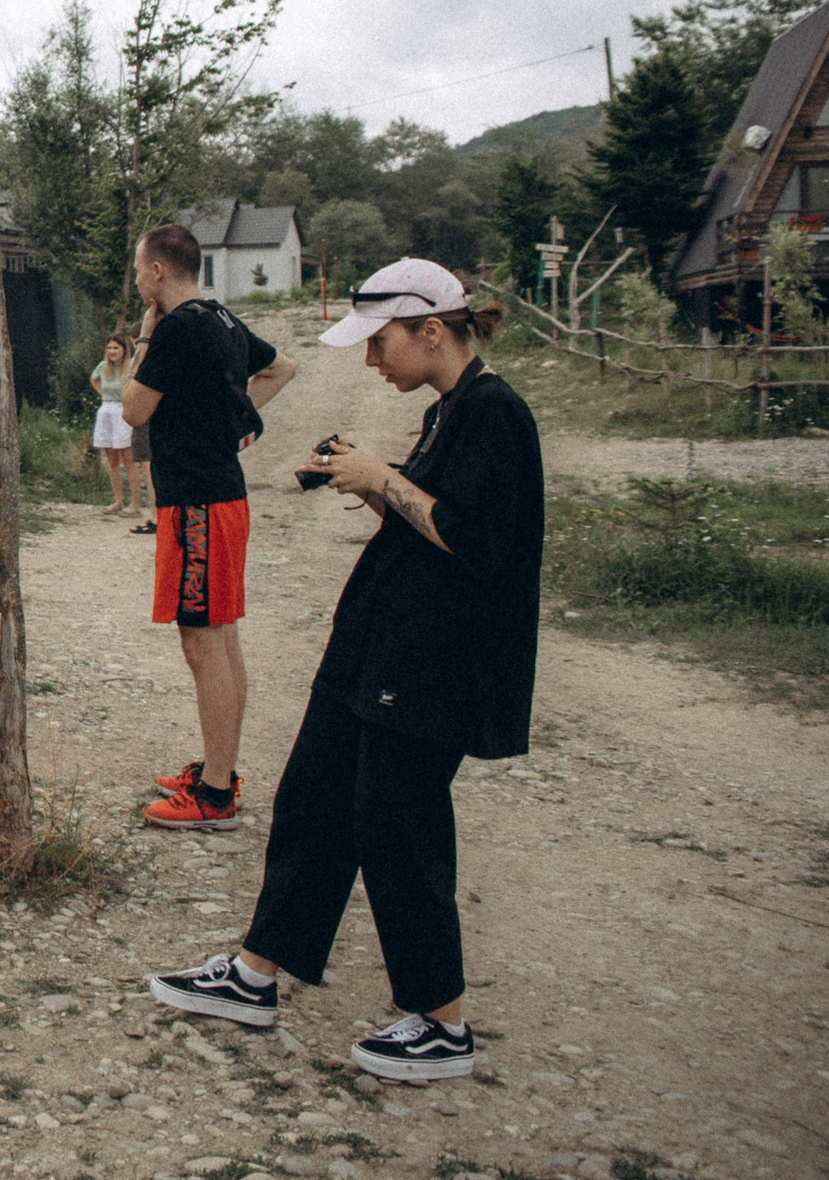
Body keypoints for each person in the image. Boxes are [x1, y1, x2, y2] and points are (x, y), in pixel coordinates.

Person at [148, 259, 538, 1082]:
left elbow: (473, 540)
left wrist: (382, 479)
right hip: (377, 646)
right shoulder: (448, 410)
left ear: (433, 329)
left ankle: (442, 1020)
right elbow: (426, 515)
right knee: (315, 798)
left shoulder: (496, 413)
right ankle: (257, 972)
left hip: (434, 662)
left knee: (399, 823)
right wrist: (370, 483)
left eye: (381, 342)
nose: (372, 361)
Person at [120, 223, 296, 829]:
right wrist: (230, 422)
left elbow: (132, 409)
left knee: (202, 642)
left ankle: (216, 794)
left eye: (139, 267)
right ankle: (219, 769)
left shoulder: (177, 327)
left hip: (197, 503)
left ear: (158, 272)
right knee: (221, 636)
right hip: (219, 497)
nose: (137, 277)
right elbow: (281, 370)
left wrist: (145, 334)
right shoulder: (220, 320)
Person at [90, 332, 137, 515]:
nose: (112, 351)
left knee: (128, 459)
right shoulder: (103, 367)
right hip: (107, 409)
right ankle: (118, 501)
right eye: (109, 348)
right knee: (112, 459)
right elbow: (94, 379)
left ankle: (134, 504)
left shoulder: (131, 366)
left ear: (124, 349)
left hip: (124, 411)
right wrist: (103, 394)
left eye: (116, 348)